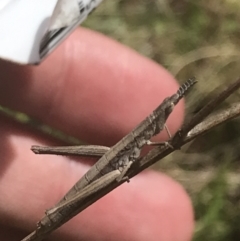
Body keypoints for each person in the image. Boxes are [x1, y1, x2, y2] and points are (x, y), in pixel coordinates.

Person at [0, 28, 194, 241]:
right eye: (166, 111)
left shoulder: (148, 131)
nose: (166, 116)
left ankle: (54, 211)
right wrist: (167, 145)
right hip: (110, 167)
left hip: (113, 158)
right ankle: (56, 210)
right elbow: (144, 149)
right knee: (116, 173)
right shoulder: (144, 134)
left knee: (115, 166)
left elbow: (155, 134)